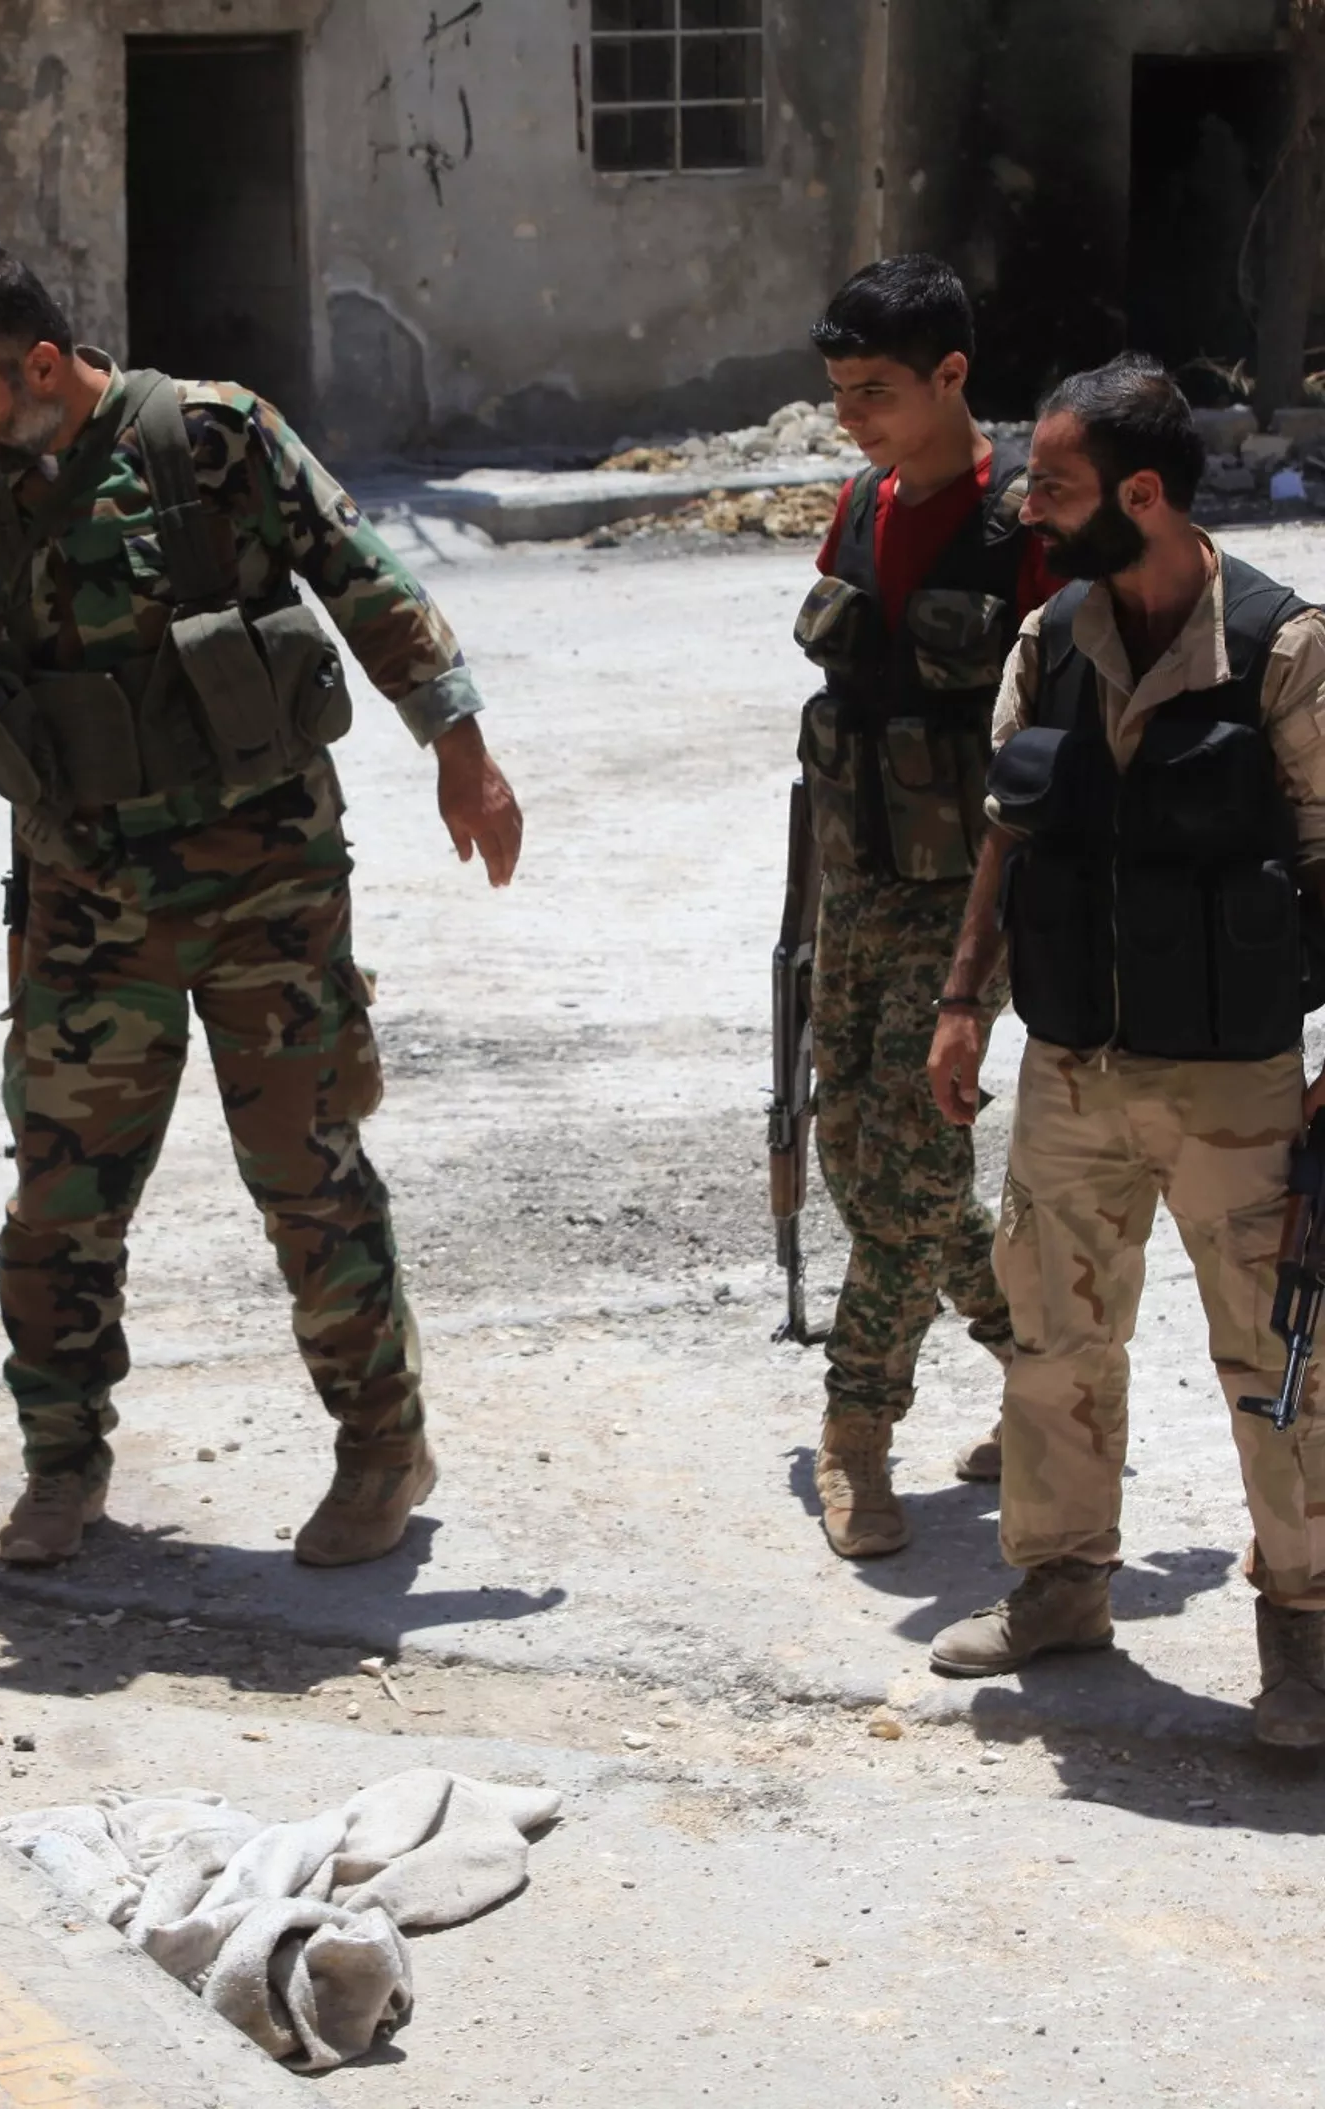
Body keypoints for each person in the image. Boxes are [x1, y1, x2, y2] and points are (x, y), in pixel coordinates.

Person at [0, 242, 522, 1570]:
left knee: (308, 1178)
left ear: (44, 364)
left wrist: (460, 745)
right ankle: (63, 1465)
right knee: (60, 1201)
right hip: (86, 900)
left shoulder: (215, 438)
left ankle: (381, 1450)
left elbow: (363, 578)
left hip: (268, 888)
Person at [926, 354, 1325, 1747]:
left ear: (1141, 494)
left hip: (1236, 1086)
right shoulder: (1051, 639)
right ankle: (1060, 1586)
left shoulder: (1283, 651)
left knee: (1281, 1365)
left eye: (1054, 484)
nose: (1028, 507)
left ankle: (1306, 1639)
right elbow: (1009, 834)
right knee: (1054, 1340)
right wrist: (964, 998)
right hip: (1073, 1072)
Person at [795, 256, 1057, 1558]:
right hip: (854, 887)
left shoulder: (1028, 528)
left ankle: (857, 1430)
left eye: (876, 392)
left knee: (906, 1152)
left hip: (969, 901)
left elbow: (1070, 735)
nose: (852, 419)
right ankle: (1043, 1371)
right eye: (839, 393)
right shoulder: (857, 504)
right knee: (865, 1151)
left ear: (952, 376)